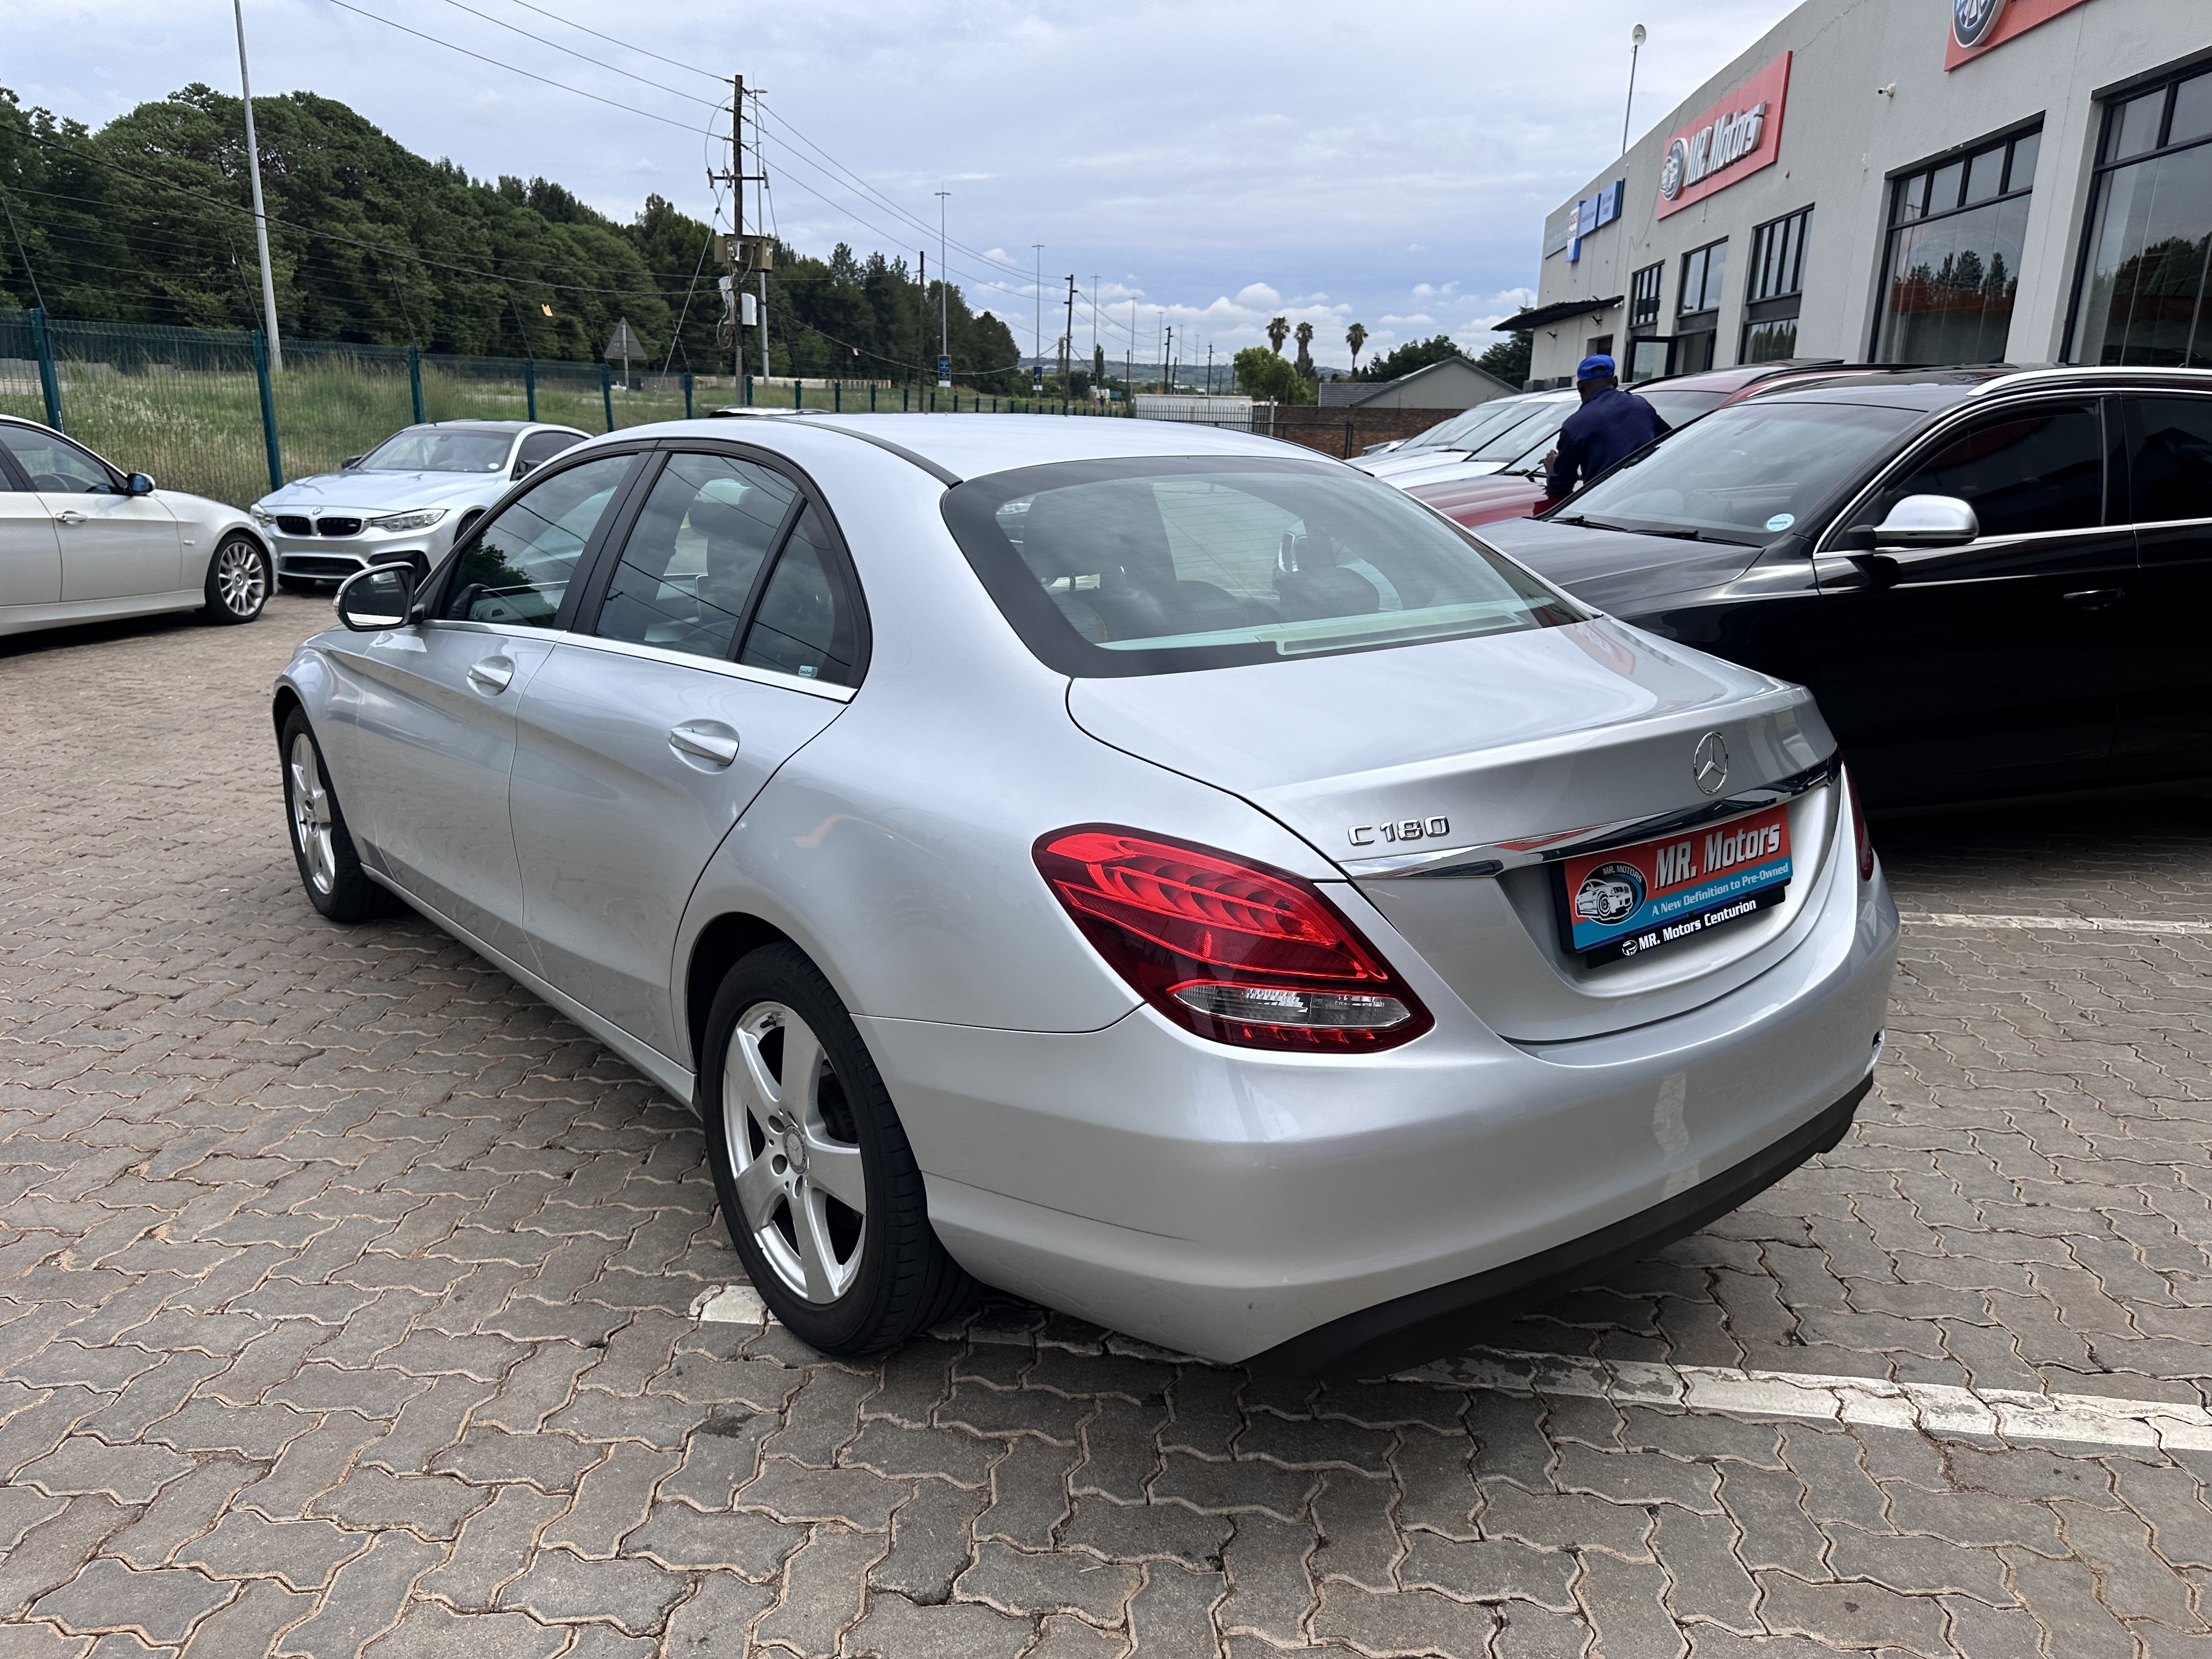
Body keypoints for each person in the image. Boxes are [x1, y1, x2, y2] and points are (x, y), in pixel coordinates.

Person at [1544, 354, 1669, 501]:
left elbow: (1561, 486)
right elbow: (1670, 439)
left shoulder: (1575, 424)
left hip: (1606, 505)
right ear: (1615, 381)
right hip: (1652, 497)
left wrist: (1553, 470)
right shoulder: (1642, 406)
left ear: (1580, 386)